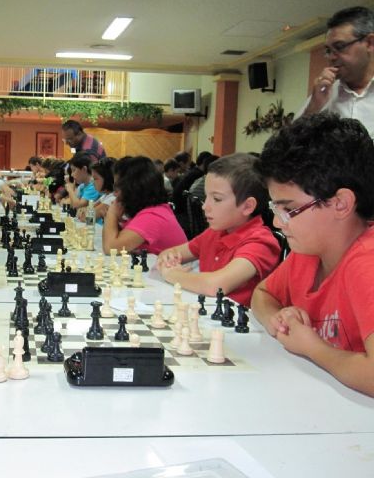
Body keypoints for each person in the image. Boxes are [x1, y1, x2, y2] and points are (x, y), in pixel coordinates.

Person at [251, 113, 374, 397]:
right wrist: (277, 319)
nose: (277, 222)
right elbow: (262, 294)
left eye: (288, 209)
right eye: (275, 209)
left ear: (341, 203)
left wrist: (312, 347)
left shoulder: (366, 262)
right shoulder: (309, 252)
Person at [157, 153, 280, 307]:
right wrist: (169, 258)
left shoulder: (260, 243)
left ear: (247, 206)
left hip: (235, 319)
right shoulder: (215, 232)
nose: (204, 206)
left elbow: (216, 286)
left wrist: (173, 274)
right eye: (206, 197)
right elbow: (173, 253)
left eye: (217, 199)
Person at [296, 6, 374, 138]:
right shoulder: (322, 96)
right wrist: (313, 107)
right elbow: (290, 145)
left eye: (340, 47)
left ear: (370, 43)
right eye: (328, 50)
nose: (331, 57)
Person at [102, 156, 186, 255]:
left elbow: (111, 248)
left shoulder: (153, 216)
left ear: (133, 189)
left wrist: (112, 215)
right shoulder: (152, 209)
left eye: (117, 187)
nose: (114, 194)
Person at [78, 157, 116, 223]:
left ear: (107, 179)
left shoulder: (112, 199)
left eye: (95, 179)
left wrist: (85, 212)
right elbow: (85, 209)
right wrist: (84, 210)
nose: (92, 182)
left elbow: (87, 219)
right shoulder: (105, 196)